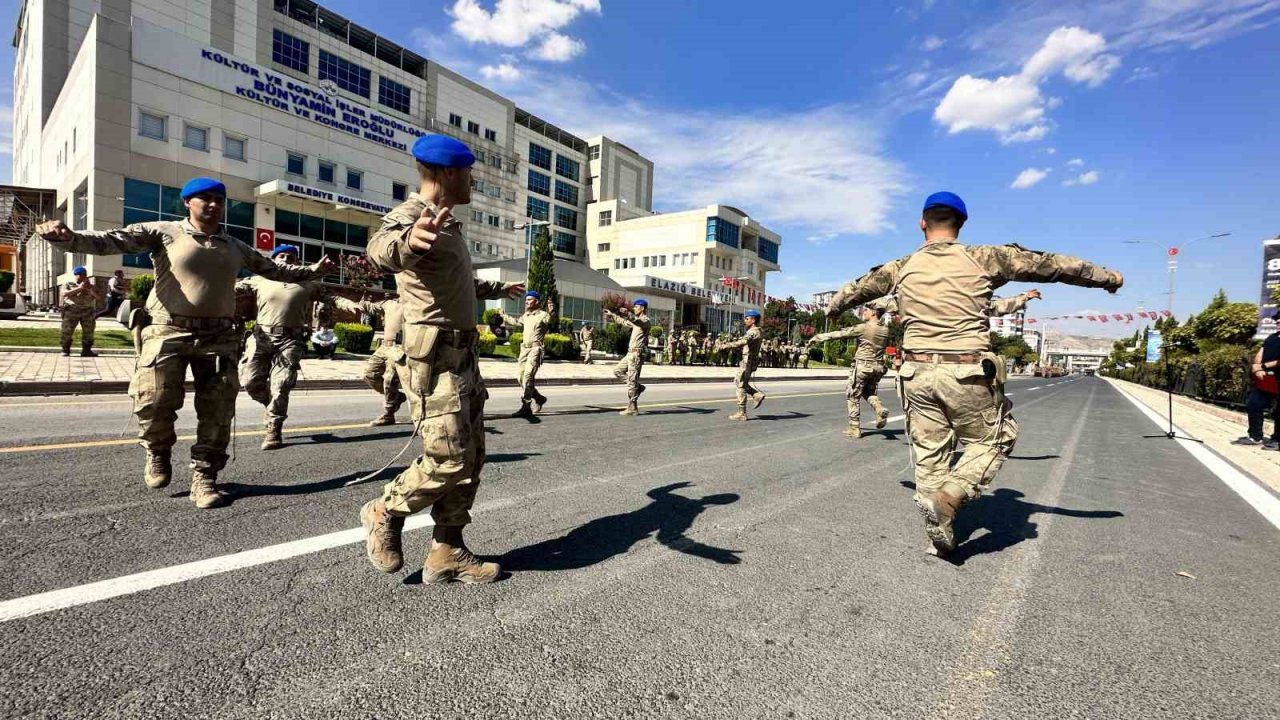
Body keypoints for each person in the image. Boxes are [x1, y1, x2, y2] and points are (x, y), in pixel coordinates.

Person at [826, 191, 1123, 557]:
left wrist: (834, 309)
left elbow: (853, 290)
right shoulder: (984, 257)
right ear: (961, 224)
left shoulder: (899, 267)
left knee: (930, 452)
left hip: (915, 374)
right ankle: (951, 497)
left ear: (922, 223)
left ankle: (938, 529)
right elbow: (1052, 265)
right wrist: (1106, 277)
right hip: (966, 371)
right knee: (997, 438)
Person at [36, 177, 333, 508]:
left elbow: (275, 270)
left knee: (218, 409)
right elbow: (110, 241)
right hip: (167, 332)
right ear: (188, 203)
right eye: (203, 198)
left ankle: (205, 477)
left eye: (218, 200)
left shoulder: (234, 246)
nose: (213, 204)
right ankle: (158, 450)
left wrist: (313, 270)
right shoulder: (163, 232)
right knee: (154, 401)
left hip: (219, 337)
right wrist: (68, 238)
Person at [359, 134, 523, 585]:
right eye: (469, 173)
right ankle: (384, 509)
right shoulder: (411, 217)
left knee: (471, 457)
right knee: (447, 456)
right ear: (450, 173)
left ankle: (447, 551)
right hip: (435, 359)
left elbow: (455, 283)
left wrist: (495, 291)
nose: (472, 182)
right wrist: (410, 240)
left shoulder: (448, 225)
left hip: (463, 352)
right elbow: (381, 251)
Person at [236, 245, 363, 450]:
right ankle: (270, 404)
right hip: (261, 337)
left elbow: (332, 298)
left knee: (282, 383)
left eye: (292, 257)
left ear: (297, 262)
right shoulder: (260, 279)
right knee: (250, 381)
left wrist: (351, 305)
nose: (286, 259)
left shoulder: (308, 284)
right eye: (282, 256)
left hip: (291, 340)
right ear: (274, 259)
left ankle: (273, 428)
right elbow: (232, 289)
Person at [809, 299, 893, 438]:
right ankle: (879, 408)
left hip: (863, 366)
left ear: (873, 312)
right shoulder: (885, 330)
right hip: (878, 367)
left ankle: (854, 428)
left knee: (853, 395)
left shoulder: (864, 328)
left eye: (866, 310)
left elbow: (840, 334)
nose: (863, 312)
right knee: (868, 392)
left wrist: (818, 337)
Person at [501, 291, 554, 417]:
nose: (526, 302)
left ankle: (526, 407)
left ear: (536, 301)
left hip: (535, 349)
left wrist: (551, 312)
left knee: (528, 376)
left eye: (529, 299)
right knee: (520, 378)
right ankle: (539, 398)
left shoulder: (543, 315)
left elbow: (550, 321)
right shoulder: (527, 315)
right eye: (526, 300)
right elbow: (517, 323)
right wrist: (504, 316)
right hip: (524, 350)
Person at [359, 292, 407, 427]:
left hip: (400, 347)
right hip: (385, 346)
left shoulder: (414, 304)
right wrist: (363, 298)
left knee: (390, 379)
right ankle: (396, 397)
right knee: (369, 375)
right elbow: (369, 307)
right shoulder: (388, 304)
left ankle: (388, 414)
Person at [716, 309, 766, 421]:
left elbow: (743, 342)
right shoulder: (758, 331)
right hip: (750, 361)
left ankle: (742, 413)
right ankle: (756, 395)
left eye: (747, 318)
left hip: (747, 362)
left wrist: (726, 345)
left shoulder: (752, 332)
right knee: (740, 382)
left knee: (740, 385)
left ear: (753, 320)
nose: (745, 320)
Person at [605, 300, 651, 416]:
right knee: (617, 371)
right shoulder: (635, 321)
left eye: (636, 307)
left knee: (631, 380)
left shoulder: (645, 321)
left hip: (636, 355)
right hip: (629, 354)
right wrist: (613, 315)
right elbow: (625, 322)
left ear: (643, 309)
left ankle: (632, 407)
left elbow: (637, 321)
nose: (634, 309)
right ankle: (637, 387)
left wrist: (628, 314)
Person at [1239, 333, 1280, 448]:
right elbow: (1261, 353)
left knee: (1278, 411)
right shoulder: (1272, 337)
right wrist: (1257, 368)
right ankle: (1255, 436)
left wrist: (1264, 366)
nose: (1277, 321)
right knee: (1253, 404)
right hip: (1267, 378)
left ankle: (1277, 440)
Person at [59, 266, 100, 357]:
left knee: (89, 331)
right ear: (76, 275)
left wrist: (90, 290)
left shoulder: (91, 286)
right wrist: (80, 288)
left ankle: (86, 350)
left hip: (87, 311)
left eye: (84, 275)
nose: (83, 277)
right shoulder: (68, 284)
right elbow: (65, 293)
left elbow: (98, 297)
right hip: (72, 311)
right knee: (67, 331)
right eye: (80, 275)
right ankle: (65, 349)